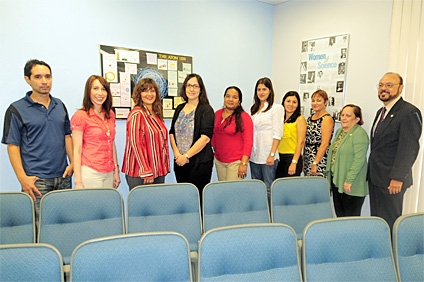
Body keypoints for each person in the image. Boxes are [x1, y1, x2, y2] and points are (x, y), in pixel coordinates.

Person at [2, 59, 73, 222]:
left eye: (48, 77)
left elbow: (67, 136)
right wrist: (22, 179)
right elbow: (13, 146)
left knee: (62, 225)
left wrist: (73, 163)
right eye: (38, 77)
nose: (44, 81)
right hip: (37, 181)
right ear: (28, 79)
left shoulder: (59, 105)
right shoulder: (16, 109)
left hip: (63, 178)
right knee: (39, 227)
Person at [368, 72, 422, 230]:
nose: (384, 88)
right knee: (378, 221)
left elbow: (409, 148)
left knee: (390, 222)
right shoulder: (381, 112)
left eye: (389, 85)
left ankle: (392, 253)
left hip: (392, 181)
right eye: (381, 85)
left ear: (401, 88)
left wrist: (397, 178)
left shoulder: (409, 112)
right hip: (376, 177)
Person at [169, 73, 214, 200]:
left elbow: (205, 138)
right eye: (189, 85)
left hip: (199, 164)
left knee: (197, 198)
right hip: (180, 162)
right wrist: (177, 154)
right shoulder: (179, 108)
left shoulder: (206, 110)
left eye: (195, 86)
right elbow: (172, 132)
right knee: (184, 197)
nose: (192, 89)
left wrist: (186, 156)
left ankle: (199, 220)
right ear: (184, 88)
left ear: (201, 90)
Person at [71, 75, 120, 189]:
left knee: (107, 206)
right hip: (90, 172)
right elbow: (76, 150)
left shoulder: (110, 114)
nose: (100, 93)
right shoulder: (80, 116)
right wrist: (78, 182)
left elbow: (111, 142)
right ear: (88, 91)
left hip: (108, 172)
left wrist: (116, 170)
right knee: (92, 206)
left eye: (104, 89)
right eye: (95, 88)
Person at [122, 78, 170, 190]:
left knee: (156, 205)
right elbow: (136, 143)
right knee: (141, 207)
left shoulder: (156, 114)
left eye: (152, 91)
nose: (149, 94)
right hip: (140, 173)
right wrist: (146, 170)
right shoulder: (137, 113)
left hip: (157, 171)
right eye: (145, 91)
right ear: (139, 94)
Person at [327, 104, 369, 217]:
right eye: (342, 115)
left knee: (350, 220)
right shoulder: (340, 131)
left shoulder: (360, 134)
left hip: (352, 184)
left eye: (348, 115)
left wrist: (349, 180)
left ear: (357, 119)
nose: (344, 118)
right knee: (340, 216)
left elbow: (359, 160)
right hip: (337, 180)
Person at [250, 77, 284, 200]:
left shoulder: (276, 108)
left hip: (268, 154)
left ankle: (270, 216)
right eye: (259, 89)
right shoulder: (253, 109)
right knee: (257, 187)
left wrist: (272, 154)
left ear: (270, 91)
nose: (261, 92)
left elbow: (277, 133)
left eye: (264, 89)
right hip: (255, 154)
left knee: (268, 189)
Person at [212, 86, 253, 181]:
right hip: (219, 160)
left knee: (232, 192)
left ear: (239, 101)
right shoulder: (217, 114)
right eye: (228, 96)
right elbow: (213, 134)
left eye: (234, 97)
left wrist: (244, 163)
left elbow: (248, 142)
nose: (230, 99)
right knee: (223, 190)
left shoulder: (244, 117)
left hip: (236, 162)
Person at [304, 89, 334, 177]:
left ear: (326, 102)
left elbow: (325, 144)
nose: (315, 103)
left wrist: (315, 163)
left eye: (318, 100)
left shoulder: (327, 119)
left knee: (317, 186)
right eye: (313, 101)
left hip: (319, 158)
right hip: (308, 156)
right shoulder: (310, 117)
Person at [276, 91, 306, 178]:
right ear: (283, 102)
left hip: (292, 158)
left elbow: (301, 142)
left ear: (298, 105)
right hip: (279, 158)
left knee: (290, 189)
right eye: (288, 101)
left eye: (294, 102)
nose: (291, 104)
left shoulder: (300, 119)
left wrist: (294, 162)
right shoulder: (280, 119)